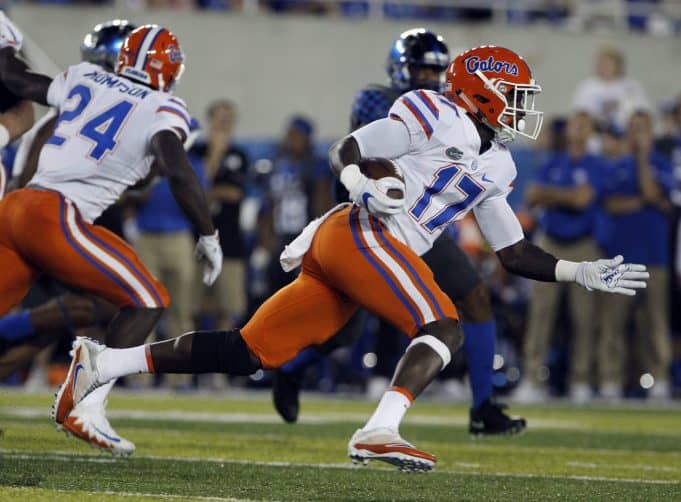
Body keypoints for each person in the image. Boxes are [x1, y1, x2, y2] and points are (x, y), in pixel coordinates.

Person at [55, 45, 647, 471]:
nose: (522, 109)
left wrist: (579, 272)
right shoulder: (434, 113)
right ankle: (379, 429)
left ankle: (102, 364)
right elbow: (349, 148)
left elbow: (513, 252)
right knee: (442, 324)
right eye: (514, 97)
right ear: (481, 92)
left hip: (369, 249)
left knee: (247, 351)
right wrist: (361, 183)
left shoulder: (499, 165)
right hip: (362, 231)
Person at [273, 28, 525, 436]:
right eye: (421, 68)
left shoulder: (453, 112)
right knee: (345, 326)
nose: (429, 76)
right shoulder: (385, 101)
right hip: (373, 220)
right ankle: (292, 370)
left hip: (423, 226)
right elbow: (372, 157)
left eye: (436, 70)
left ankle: (483, 406)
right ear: (400, 69)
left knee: (475, 297)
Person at [0, 23, 222, 453]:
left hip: (13, 210)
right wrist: (208, 232)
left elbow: (16, 80)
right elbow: (178, 170)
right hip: (56, 218)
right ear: (170, 70)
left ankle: (83, 396)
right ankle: (86, 403)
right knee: (147, 298)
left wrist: (5, 44)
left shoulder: (84, 77)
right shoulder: (165, 106)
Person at [516, 112, 604, 403]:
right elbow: (532, 196)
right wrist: (565, 195)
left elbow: (584, 200)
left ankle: (581, 380)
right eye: (574, 125)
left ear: (590, 130)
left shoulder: (594, 164)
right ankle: (531, 378)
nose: (576, 130)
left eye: (583, 125)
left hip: (584, 247)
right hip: (550, 244)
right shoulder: (553, 160)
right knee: (541, 315)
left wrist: (551, 195)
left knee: (584, 317)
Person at [598, 110, 673, 399]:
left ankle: (660, 379)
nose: (637, 135)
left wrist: (643, 164)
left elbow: (653, 192)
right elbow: (611, 205)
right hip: (620, 257)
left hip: (655, 257)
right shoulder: (616, 166)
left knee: (655, 323)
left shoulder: (661, 164)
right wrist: (645, 201)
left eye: (642, 129)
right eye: (633, 129)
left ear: (650, 133)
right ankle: (610, 380)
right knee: (613, 324)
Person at [191, 100, 249, 329]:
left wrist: (209, 193)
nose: (224, 123)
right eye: (220, 118)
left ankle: (221, 365)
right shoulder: (195, 152)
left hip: (230, 245)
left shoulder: (239, 155)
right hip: (196, 243)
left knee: (227, 310)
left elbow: (236, 193)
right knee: (191, 309)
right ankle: (191, 362)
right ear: (210, 120)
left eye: (229, 119)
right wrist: (214, 155)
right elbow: (195, 192)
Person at [572, 45, 649, 129]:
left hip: (625, 133)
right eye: (601, 62)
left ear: (618, 65)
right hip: (595, 131)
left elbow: (642, 113)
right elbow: (580, 114)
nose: (604, 66)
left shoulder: (631, 86)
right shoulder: (587, 86)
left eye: (608, 63)